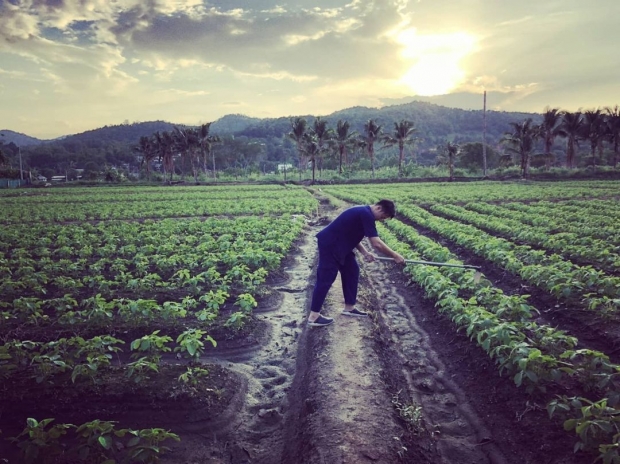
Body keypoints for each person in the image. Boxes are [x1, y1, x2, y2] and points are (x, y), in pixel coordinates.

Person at [308, 199, 406, 327]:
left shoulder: (363, 212)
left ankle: (349, 307)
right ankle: (313, 317)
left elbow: (351, 235)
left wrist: (365, 252)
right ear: (379, 208)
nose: (381, 220)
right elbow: (376, 243)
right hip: (331, 244)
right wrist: (395, 255)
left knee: (352, 270)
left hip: (341, 244)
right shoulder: (366, 214)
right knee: (326, 278)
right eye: (382, 217)